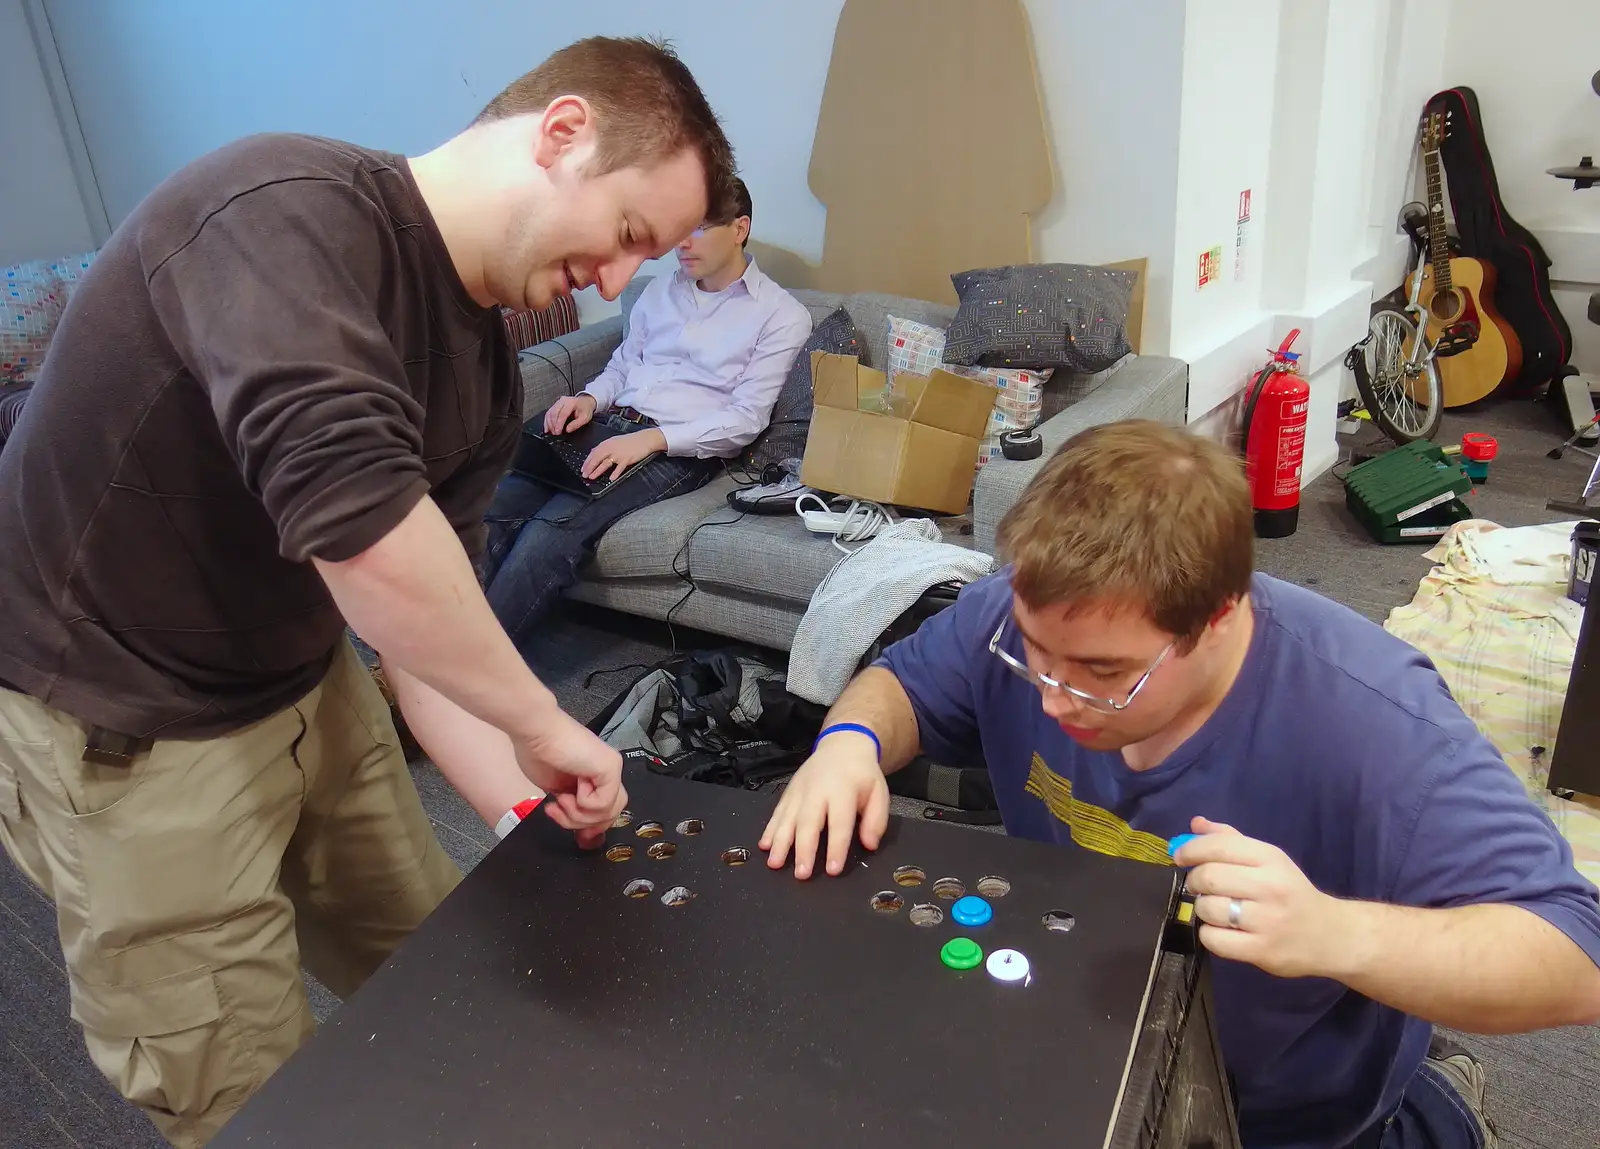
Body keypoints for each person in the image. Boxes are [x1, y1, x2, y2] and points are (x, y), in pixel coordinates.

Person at [0, 36, 736, 1147]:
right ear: (562, 131)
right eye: (630, 235)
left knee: (440, 956)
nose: (619, 280)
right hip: (129, 724)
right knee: (247, 1084)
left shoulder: (482, 375)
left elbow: (427, 641)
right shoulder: (275, 212)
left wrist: (529, 804)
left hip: (302, 680)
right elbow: (366, 537)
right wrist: (546, 720)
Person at [759, 420, 1600, 1149]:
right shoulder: (1026, 615)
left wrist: (1334, 933)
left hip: (1283, 1115)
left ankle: (1438, 1097)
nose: (1052, 699)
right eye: (1034, 655)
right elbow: (903, 683)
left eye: (1103, 673)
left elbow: (1576, 954)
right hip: (1080, 1027)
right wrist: (848, 742)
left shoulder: (1378, 727)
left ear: (1221, 616)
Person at [479, 176, 812, 647]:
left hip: (674, 450)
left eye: (698, 228)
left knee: (549, 532)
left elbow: (745, 420)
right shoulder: (660, 290)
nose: (683, 243)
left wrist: (649, 441)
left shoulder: (781, 315)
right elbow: (624, 365)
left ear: (739, 229)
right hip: (607, 425)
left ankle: (464, 680)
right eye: (680, 229)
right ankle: (426, 653)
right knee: (496, 506)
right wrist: (589, 400)